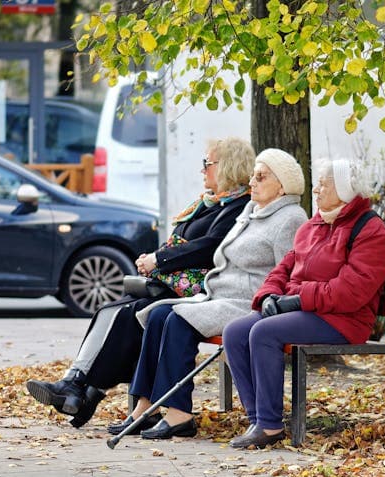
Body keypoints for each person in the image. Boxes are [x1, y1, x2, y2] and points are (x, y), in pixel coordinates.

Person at [25, 137, 255, 428]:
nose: (202, 170)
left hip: (201, 290)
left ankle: (87, 392)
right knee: (111, 310)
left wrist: (159, 260)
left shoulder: (238, 206)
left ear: (228, 166)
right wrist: (156, 258)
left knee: (133, 315)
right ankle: (77, 383)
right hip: (175, 284)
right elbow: (183, 240)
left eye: (207, 163)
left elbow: (209, 247)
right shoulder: (209, 203)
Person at [109, 148, 308, 440]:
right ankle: (146, 404)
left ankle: (179, 413)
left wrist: (269, 302)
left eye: (261, 177)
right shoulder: (252, 210)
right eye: (253, 175)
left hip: (248, 301)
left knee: (178, 320)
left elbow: (288, 272)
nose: (252, 182)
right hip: (221, 294)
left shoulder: (290, 218)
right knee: (159, 314)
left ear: (282, 185)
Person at [222, 159, 385, 449]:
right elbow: (285, 267)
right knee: (235, 332)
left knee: (264, 333)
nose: (316, 190)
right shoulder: (315, 224)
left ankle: (270, 425)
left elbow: (351, 291)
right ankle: (257, 418)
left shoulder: (370, 230)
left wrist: (299, 299)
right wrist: (269, 295)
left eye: (324, 185)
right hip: (306, 308)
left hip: (344, 319)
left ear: (344, 188)